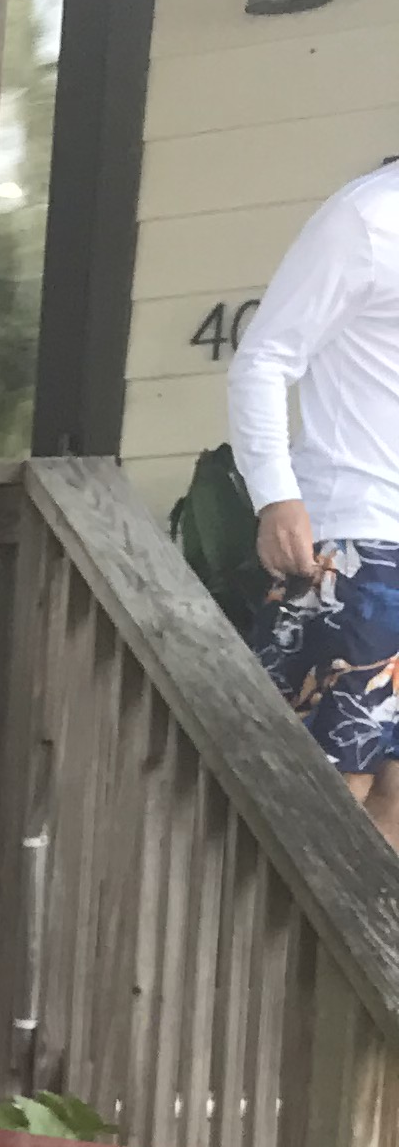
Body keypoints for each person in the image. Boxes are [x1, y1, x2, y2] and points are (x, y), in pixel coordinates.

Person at [228, 156, 399, 834]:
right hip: (358, 541)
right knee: (329, 792)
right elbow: (265, 358)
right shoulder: (369, 217)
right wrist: (275, 493)